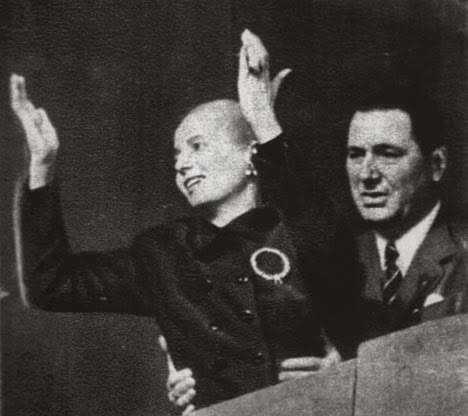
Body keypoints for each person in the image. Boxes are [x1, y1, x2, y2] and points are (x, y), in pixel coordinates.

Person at [11, 30, 356, 412]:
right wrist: (42, 166)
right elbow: (52, 286)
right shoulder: (162, 252)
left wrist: (260, 117)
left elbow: (332, 248)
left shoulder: (296, 227)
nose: (182, 164)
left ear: (250, 156)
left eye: (197, 146)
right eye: (177, 155)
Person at [346, 88, 468, 338]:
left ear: (436, 164)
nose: (366, 174)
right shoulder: (336, 259)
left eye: (387, 155)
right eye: (356, 155)